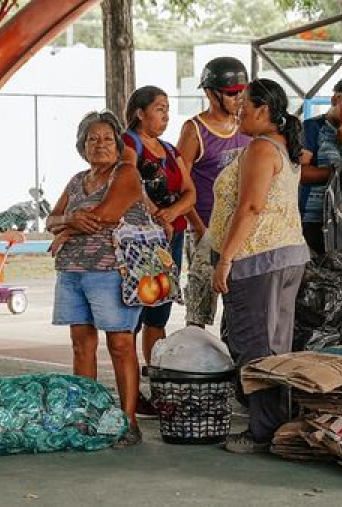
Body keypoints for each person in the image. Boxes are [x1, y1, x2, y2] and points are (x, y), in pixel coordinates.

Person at [210, 78, 309, 453]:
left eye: (244, 107)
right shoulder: (283, 146)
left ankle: (262, 432)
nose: (239, 113)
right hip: (284, 257)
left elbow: (250, 207)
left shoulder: (260, 149)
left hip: (259, 259)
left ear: (264, 111)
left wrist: (226, 259)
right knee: (275, 344)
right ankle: (274, 424)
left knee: (256, 346)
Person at [47, 110, 150, 448]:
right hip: (73, 271)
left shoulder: (126, 173)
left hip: (111, 270)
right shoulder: (77, 180)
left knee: (120, 344)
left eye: (107, 139)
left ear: (118, 144)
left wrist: (68, 225)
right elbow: (50, 219)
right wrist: (68, 221)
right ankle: (85, 416)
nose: (100, 145)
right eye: (93, 139)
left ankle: (129, 422)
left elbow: (107, 214)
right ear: (82, 145)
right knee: (81, 344)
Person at [121, 85, 196, 416]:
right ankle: (130, 392)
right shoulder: (130, 144)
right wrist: (155, 214)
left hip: (171, 238)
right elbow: (129, 183)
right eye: (159, 108)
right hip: (140, 242)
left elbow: (190, 192)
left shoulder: (169, 149)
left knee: (158, 314)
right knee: (133, 314)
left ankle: (157, 389)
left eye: (167, 109)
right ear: (140, 113)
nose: (166, 115)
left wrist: (172, 213)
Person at [176, 56, 251, 329]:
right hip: (206, 229)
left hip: (242, 230)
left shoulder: (249, 126)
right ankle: (195, 361)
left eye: (243, 92)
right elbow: (179, 184)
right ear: (210, 93)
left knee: (241, 304)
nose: (239, 99)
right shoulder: (194, 130)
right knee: (200, 306)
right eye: (232, 93)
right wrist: (198, 228)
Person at [299, 77, 342, 254]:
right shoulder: (312, 128)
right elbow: (301, 174)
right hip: (314, 217)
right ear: (334, 99)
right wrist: (340, 174)